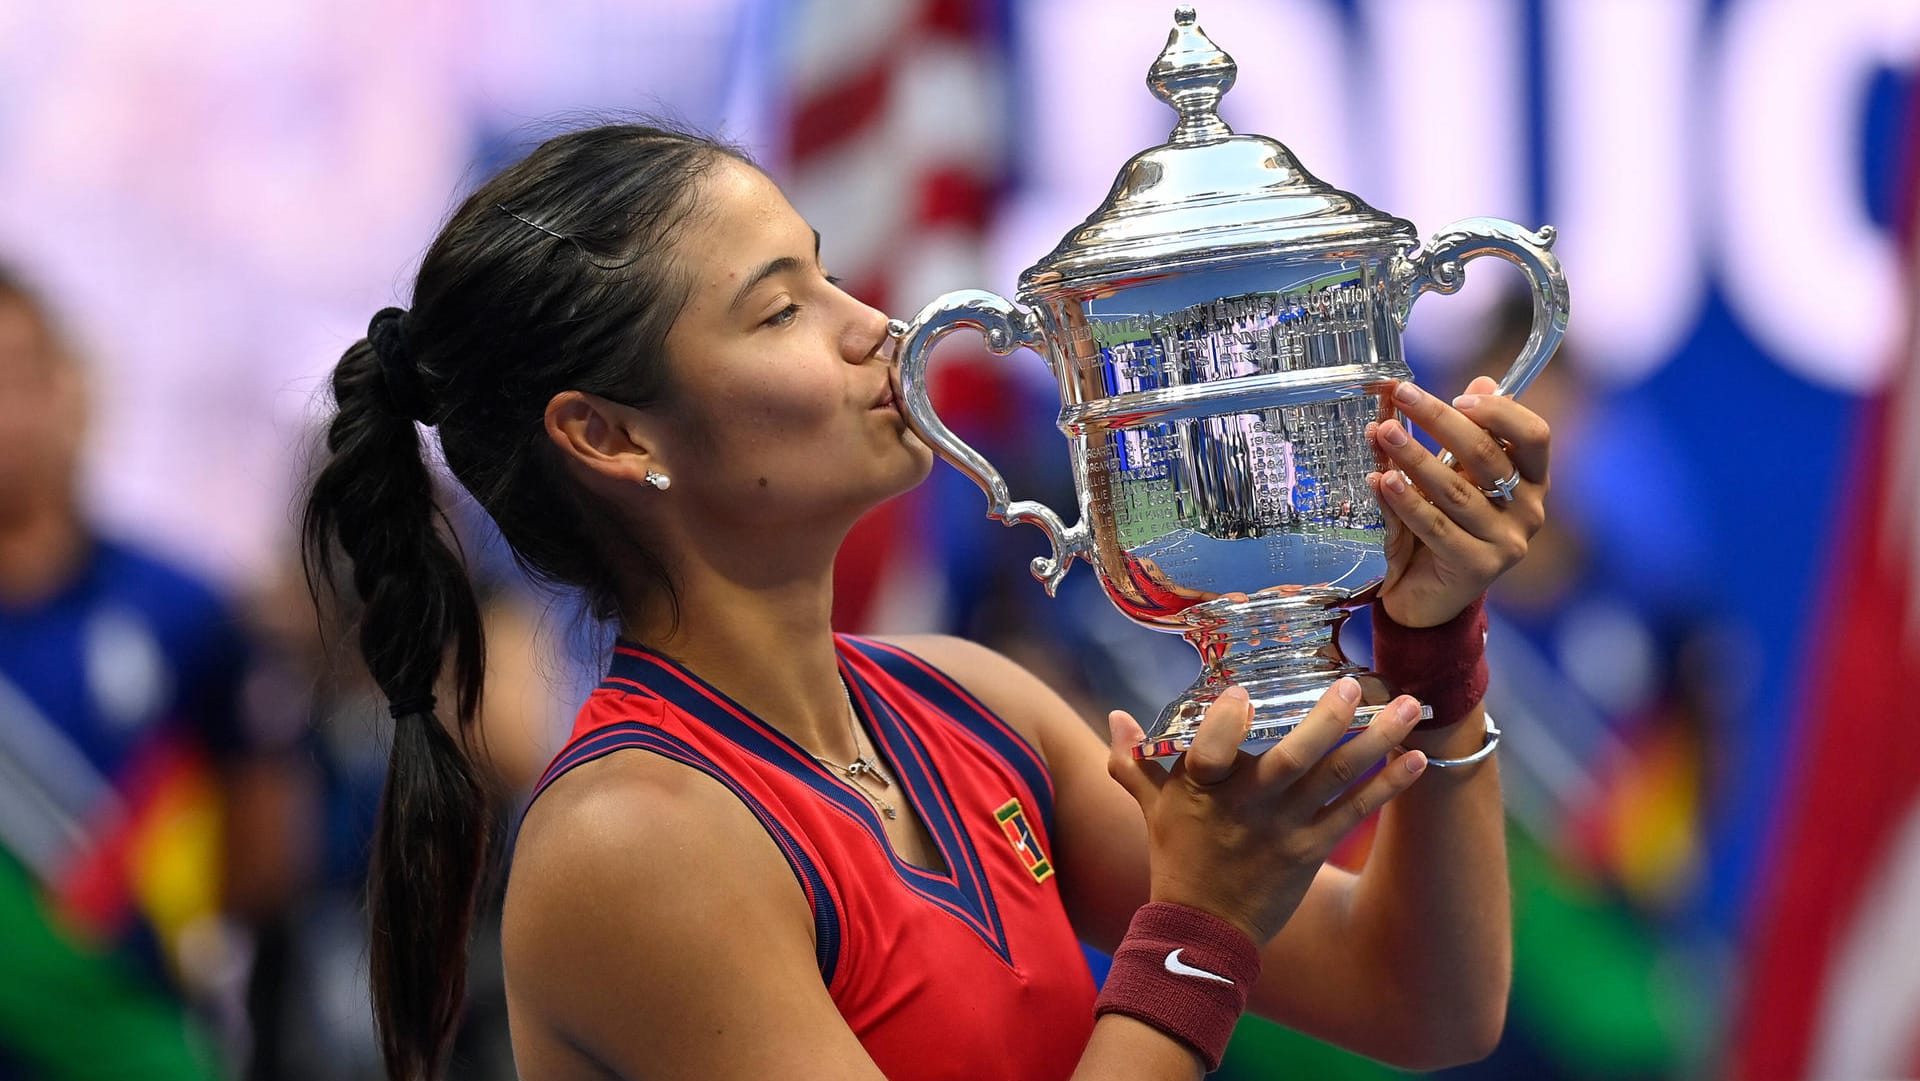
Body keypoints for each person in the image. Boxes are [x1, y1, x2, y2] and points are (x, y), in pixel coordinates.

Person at [301, 124, 1550, 1081]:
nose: (878, 331)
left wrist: (1431, 642)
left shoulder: (968, 703)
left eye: (832, 277)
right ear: (610, 435)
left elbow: (1424, 1001)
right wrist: (1197, 928)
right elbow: (1207, 949)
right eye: (782, 308)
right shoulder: (633, 841)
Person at [0, 264, 296, 1079]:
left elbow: (264, 850)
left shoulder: (186, 609)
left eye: (21, 373)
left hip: (143, 1041)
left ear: (73, 390)